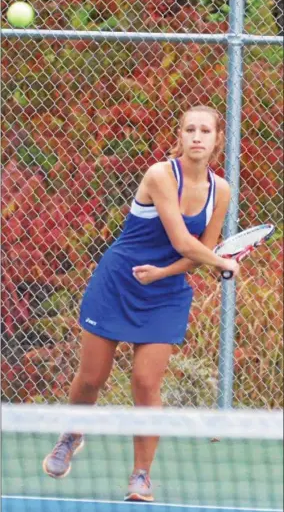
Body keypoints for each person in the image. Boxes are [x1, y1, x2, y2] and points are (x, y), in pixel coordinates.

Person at [43, 105, 239, 502]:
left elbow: (199, 253)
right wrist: (222, 262)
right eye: (189, 130)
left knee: (147, 382)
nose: (197, 137)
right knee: (91, 378)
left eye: (205, 130)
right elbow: (186, 243)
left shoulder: (222, 191)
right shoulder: (160, 175)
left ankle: (141, 476)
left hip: (165, 293)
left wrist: (167, 273)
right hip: (118, 281)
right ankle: (72, 433)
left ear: (218, 138)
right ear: (180, 136)